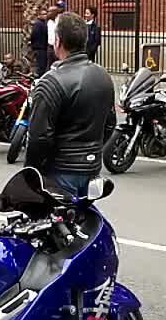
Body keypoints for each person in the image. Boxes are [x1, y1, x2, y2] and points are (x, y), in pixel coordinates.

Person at [25, 12, 116, 198]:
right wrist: (91, 151)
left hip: (60, 171)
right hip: (91, 170)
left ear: (58, 41)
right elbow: (109, 123)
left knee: (54, 224)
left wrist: (31, 176)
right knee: (81, 223)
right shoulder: (103, 76)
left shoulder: (50, 82)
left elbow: (39, 138)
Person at [29, 9, 49, 76]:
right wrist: (36, 45)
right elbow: (34, 35)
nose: (45, 15)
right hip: (40, 48)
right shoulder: (38, 23)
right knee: (41, 66)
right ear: (39, 15)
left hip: (42, 48)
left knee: (43, 65)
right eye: (43, 14)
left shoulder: (43, 23)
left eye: (46, 14)